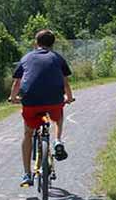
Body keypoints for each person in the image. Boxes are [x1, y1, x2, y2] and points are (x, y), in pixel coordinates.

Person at [9, 29, 75, 187]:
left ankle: (26, 174)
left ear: (36, 42)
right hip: (54, 101)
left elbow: (17, 82)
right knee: (58, 117)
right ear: (53, 44)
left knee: (28, 133)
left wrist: (13, 98)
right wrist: (69, 98)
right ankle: (58, 140)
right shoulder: (57, 58)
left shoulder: (27, 57)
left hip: (31, 102)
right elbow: (65, 82)